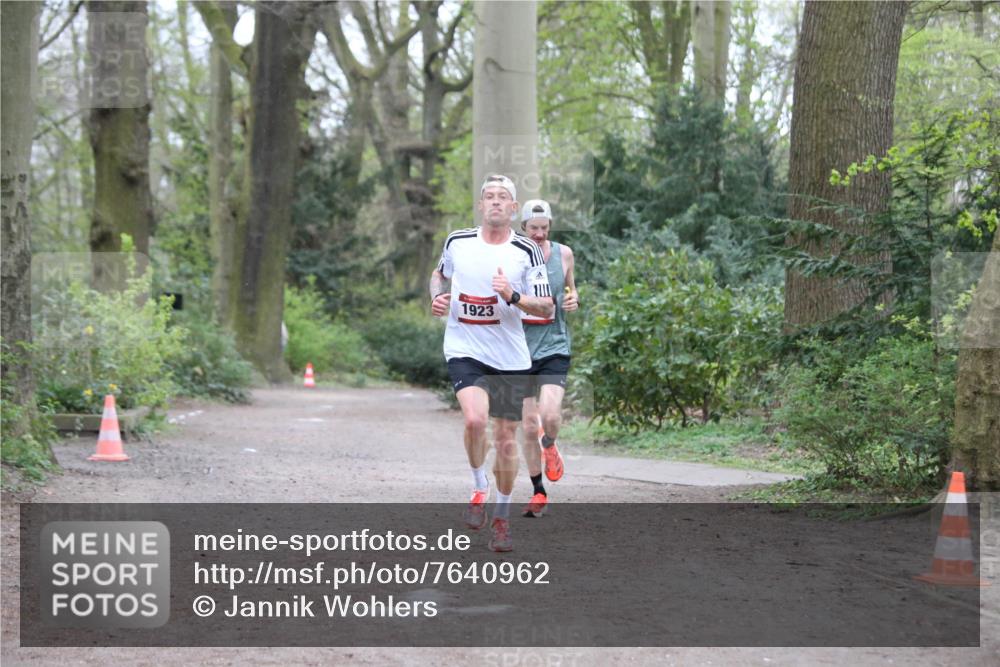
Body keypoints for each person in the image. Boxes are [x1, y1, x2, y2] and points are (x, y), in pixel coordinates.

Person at [429, 174, 554, 552]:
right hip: (464, 346)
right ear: (480, 205)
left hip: (510, 355)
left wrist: (512, 295)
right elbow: (439, 274)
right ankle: (478, 486)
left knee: (504, 440)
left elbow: (546, 305)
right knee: (474, 420)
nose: (496, 202)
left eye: (503, 197)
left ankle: (501, 518)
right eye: (489, 196)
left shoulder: (526, 250)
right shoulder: (458, 241)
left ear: (513, 208)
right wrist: (437, 297)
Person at [517, 200, 578, 518]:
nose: (539, 234)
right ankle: (538, 491)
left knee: (550, 415)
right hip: (518, 351)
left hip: (554, 346)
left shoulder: (564, 254)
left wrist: (573, 300)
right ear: (523, 228)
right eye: (533, 229)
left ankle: (550, 444)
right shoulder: (512, 256)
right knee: (528, 426)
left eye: (544, 228)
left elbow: (571, 291)